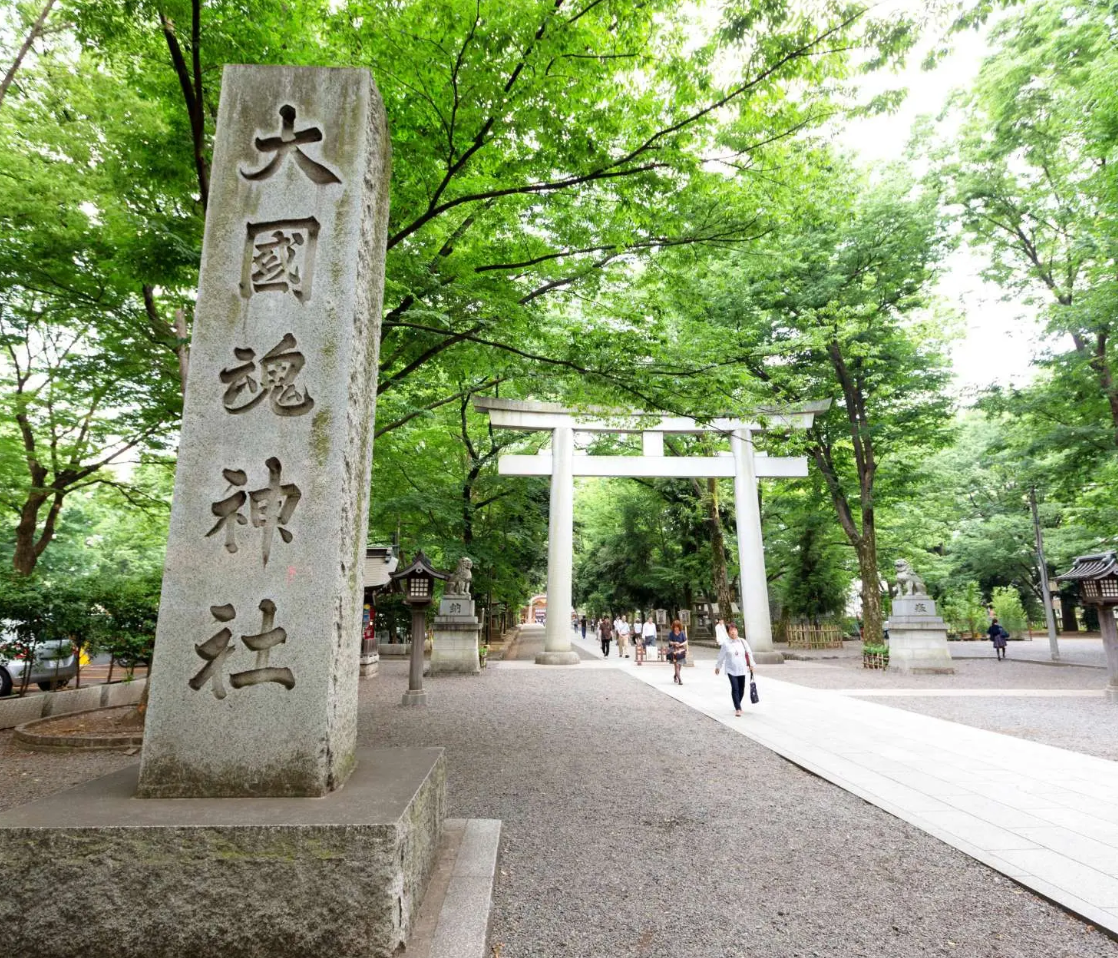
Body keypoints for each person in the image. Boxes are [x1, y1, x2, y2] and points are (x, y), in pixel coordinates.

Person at [715, 624, 754, 717]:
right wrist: (718, 666)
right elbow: (721, 656)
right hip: (731, 669)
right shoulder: (726, 643)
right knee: (735, 688)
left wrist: (751, 664)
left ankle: (737, 703)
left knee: (741, 689)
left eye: (734, 630)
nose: (733, 632)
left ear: (737, 631)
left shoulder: (743, 642)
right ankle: (738, 708)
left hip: (741, 668)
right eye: (731, 630)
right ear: (728, 633)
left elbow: (749, 653)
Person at [667, 619, 688, 685]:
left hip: (681, 651)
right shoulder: (671, 633)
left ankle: (675, 675)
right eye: (675, 627)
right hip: (674, 651)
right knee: (676, 665)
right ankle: (680, 680)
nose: (676, 628)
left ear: (679, 627)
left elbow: (686, 641)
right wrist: (674, 643)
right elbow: (669, 641)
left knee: (680, 666)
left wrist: (680, 644)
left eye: (677, 627)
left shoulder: (682, 633)